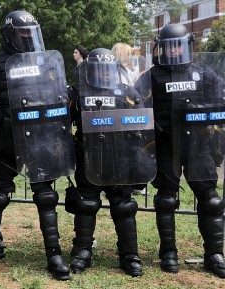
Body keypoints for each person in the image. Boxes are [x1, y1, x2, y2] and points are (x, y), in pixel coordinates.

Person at [0, 10, 73, 280]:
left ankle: (54, 254)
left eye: (31, 33)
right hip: (5, 141)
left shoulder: (46, 62)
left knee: (46, 197)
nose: (28, 38)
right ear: (9, 35)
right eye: (23, 34)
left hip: (40, 137)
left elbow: (57, 97)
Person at [150, 23, 225, 279]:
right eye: (168, 46)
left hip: (199, 147)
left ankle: (214, 255)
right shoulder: (151, 77)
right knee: (166, 200)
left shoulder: (206, 74)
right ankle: (168, 252)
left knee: (211, 200)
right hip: (166, 147)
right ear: (161, 48)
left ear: (188, 46)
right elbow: (136, 107)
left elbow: (223, 104)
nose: (173, 51)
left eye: (178, 45)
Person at [67, 48, 155, 277]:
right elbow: (60, 125)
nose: (105, 74)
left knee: (124, 206)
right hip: (89, 157)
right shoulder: (76, 93)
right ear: (90, 70)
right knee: (86, 205)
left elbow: (142, 128)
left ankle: (129, 255)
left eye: (109, 70)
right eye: (100, 70)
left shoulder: (128, 93)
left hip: (120, 159)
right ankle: (82, 251)